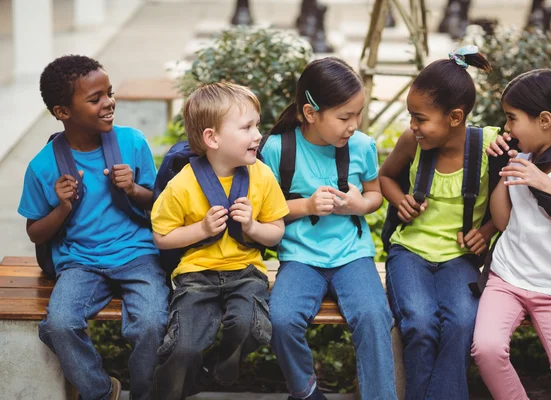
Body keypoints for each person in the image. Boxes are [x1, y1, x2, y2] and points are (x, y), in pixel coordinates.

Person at [18, 55, 168, 400]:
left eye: (109, 93)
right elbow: (35, 232)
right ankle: (101, 391)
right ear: (63, 112)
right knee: (58, 325)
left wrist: (133, 189)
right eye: (95, 98)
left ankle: (144, 394)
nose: (108, 103)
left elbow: (159, 204)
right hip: (81, 262)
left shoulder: (132, 142)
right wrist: (63, 206)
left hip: (138, 254)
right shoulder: (42, 166)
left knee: (150, 323)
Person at [261, 57, 397, 400]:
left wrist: (359, 205)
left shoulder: (361, 147)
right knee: (281, 319)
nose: (353, 125)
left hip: (352, 256)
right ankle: (306, 393)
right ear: (310, 113)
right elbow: (266, 213)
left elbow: (375, 194)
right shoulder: (278, 149)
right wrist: (306, 205)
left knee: (373, 316)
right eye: (344, 117)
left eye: (358, 114)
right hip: (300, 258)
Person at [149, 82, 289, 400]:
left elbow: (277, 230)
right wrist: (200, 230)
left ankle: (213, 372)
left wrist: (252, 226)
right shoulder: (183, 183)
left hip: (246, 271)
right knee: (184, 345)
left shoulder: (261, 176)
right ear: (212, 138)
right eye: (247, 127)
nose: (258, 135)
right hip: (196, 274)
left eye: (257, 125)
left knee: (252, 326)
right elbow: (162, 236)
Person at [471, 69, 551, 399]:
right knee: (486, 350)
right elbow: (502, 222)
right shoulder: (524, 158)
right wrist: (502, 168)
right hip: (507, 278)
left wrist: (546, 189)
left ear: (544, 120)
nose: (507, 128)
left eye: (512, 118)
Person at [379, 46, 497, 399]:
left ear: (455, 117)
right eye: (410, 117)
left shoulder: (489, 146)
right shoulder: (411, 142)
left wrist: (487, 231)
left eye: (420, 118)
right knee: (418, 321)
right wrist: (400, 202)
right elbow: (385, 176)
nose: (413, 126)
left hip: (459, 258)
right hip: (410, 252)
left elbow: (514, 196)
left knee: (462, 323)